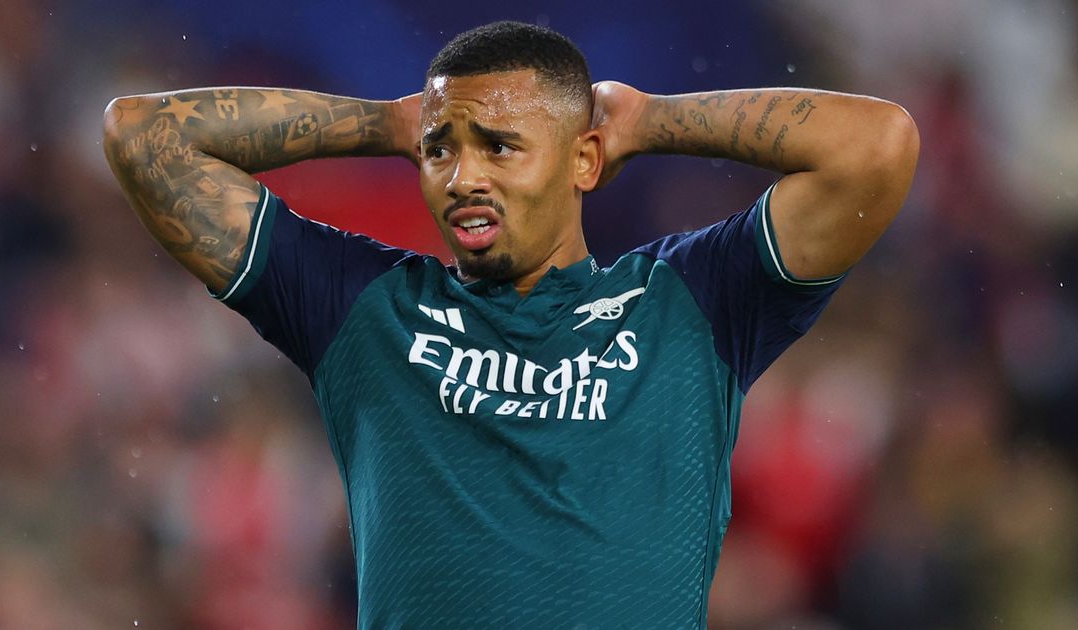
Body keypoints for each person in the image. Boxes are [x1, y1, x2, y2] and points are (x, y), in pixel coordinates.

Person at [102, 20, 918, 630]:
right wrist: (388, 123)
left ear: (584, 161)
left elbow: (878, 146)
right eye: (442, 150)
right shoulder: (364, 308)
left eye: (500, 146)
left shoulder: (689, 302)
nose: (463, 177)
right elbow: (143, 137)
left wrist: (650, 119)